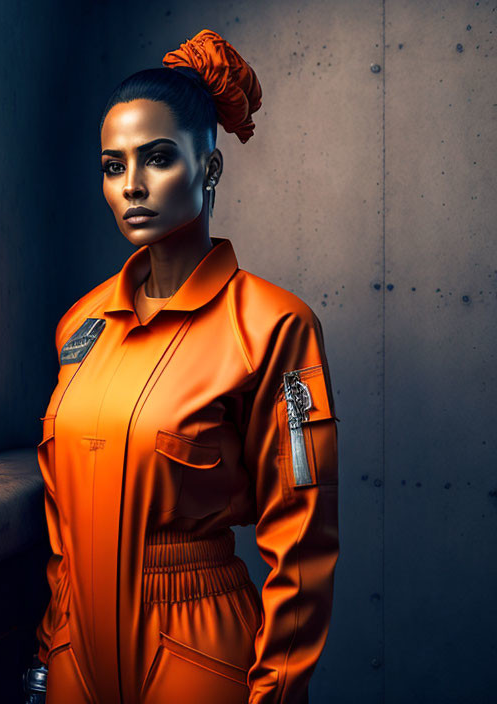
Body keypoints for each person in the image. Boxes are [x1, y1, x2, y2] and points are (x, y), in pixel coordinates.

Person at [22, 29, 339, 704]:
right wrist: (50, 653)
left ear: (211, 167)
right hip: (77, 651)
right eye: (113, 166)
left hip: (194, 649)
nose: (132, 186)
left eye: (158, 158)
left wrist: (277, 690)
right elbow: (62, 528)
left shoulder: (271, 327)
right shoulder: (79, 328)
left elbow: (302, 537)